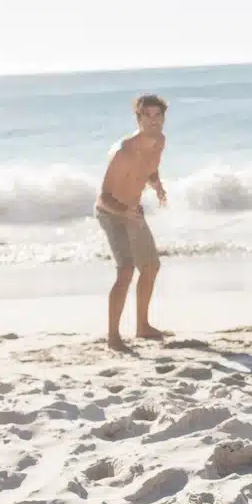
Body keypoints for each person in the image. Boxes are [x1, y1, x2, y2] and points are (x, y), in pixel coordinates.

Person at [95, 93, 170, 351]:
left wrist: (156, 184)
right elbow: (103, 197)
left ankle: (142, 327)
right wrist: (124, 211)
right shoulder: (123, 152)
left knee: (150, 267)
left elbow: (150, 168)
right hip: (111, 213)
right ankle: (113, 337)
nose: (153, 120)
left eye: (158, 115)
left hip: (133, 212)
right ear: (138, 119)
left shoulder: (159, 141)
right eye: (147, 115)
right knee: (126, 269)